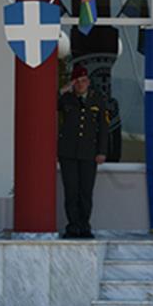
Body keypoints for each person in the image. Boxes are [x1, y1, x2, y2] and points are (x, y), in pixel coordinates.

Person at [58, 64, 108, 239]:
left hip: (89, 153)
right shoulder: (66, 99)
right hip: (68, 153)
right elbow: (47, 106)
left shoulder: (97, 100)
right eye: (77, 81)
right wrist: (62, 90)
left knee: (85, 192)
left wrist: (102, 151)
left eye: (84, 81)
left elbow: (103, 128)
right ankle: (73, 227)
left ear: (89, 82)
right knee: (71, 191)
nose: (81, 84)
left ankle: (84, 226)